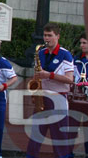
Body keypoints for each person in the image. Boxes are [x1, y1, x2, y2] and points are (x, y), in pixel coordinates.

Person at [25, 22, 74, 158]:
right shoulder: (40, 53)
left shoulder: (65, 55)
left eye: (49, 35)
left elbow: (70, 79)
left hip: (58, 98)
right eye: (45, 35)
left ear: (57, 36)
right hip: (43, 98)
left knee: (59, 136)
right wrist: (34, 92)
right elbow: (36, 75)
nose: (46, 38)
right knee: (35, 135)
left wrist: (49, 75)